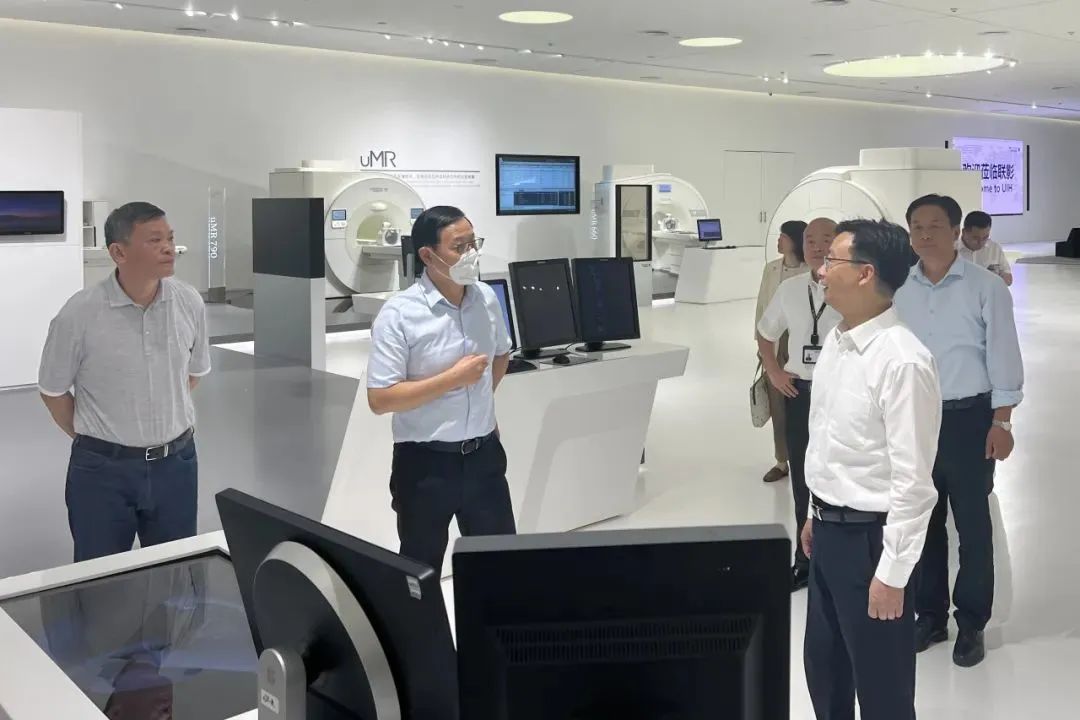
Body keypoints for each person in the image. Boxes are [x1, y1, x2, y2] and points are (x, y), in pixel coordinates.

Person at [803, 218, 941, 720]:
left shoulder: (903, 362)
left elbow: (913, 482)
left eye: (831, 261)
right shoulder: (838, 341)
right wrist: (814, 511)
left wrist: (893, 573)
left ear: (865, 274)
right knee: (825, 671)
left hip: (872, 545)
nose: (820, 271)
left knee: (883, 690)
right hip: (828, 534)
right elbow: (830, 442)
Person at [38, 202, 209, 563]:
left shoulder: (189, 302)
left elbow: (192, 375)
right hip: (102, 473)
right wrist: (100, 438)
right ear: (118, 252)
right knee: (99, 576)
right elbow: (53, 391)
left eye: (170, 238)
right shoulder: (79, 314)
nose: (168, 248)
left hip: (176, 466)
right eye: (154, 240)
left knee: (176, 573)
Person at [896, 194, 1023, 667]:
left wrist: (1002, 420)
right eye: (917, 226)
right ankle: (929, 616)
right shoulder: (899, 289)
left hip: (969, 419)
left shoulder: (986, 287)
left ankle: (971, 623)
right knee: (923, 523)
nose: (924, 234)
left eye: (934, 225)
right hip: (914, 420)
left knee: (972, 526)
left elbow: (1004, 354)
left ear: (955, 232)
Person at [367, 205, 516, 572]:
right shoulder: (399, 314)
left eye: (474, 243)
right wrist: (453, 380)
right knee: (421, 571)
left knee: (501, 565)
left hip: (483, 457)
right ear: (427, 255)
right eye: (459, 247)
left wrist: (481, 403)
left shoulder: (485, 298)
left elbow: (501, 354)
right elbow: (381, 398)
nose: (471, 254)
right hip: (425, 464)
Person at [756, 217, 840, 591]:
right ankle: (805, 561)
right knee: (804, 480)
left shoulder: (856, 288)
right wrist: (774, 371)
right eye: (811, 240)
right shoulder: (790, 289)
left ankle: (840, 560)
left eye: (827, 239)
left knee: (841, 477)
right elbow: (765, 333)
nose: (818, 247)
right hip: (801, 393)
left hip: (843, 395)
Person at [754, 220, 810, 484]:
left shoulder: (812, 271)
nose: (778, 241)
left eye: (783, 237)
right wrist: (760, 346)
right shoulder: (771, 269)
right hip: (774, 343)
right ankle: (781, 460)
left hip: (802, 342)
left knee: (804, 403)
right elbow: (761, 306)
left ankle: (807, 458)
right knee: (778, 405)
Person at [958, 210, 1013, 286]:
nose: (981, 242)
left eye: (985, 237)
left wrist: (1000, 280)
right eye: (975, 238)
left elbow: (1008, 276)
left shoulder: (995, 248)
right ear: (964, 232)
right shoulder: (950, 250)